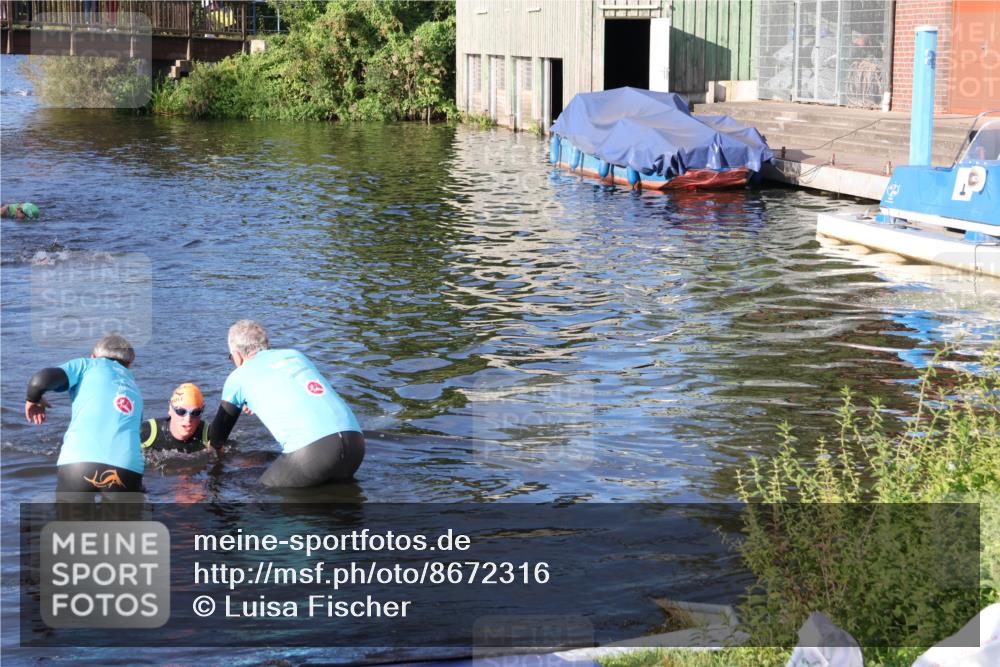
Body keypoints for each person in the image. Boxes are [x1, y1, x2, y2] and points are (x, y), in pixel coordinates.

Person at [209, 320, 365, 487]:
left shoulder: (238, 377)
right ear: (266, 345)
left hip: (313, 453)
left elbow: (218, 437)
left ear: (237, 356)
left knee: (260, 495)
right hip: (355, 443)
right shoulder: (295, 355)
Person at [25, 334, 144, 492]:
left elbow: (40, 381)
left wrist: (33, 399)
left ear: (93, 355)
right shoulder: (135, 390)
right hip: (127, 468)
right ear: (129, 365)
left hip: (78, 463)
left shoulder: (87, 365)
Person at [140, 382, 211, 454]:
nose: (188, 419)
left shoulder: (209, 435)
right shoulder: (146, 433)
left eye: (195, 412)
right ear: (170, 409)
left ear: (202, 411)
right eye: (181, 411)